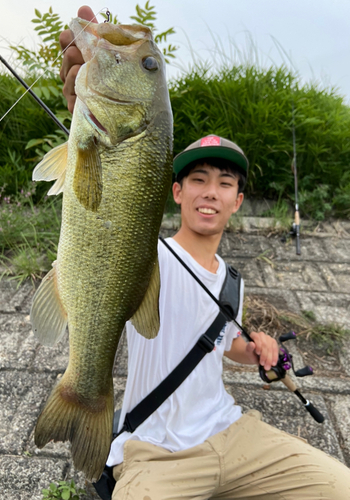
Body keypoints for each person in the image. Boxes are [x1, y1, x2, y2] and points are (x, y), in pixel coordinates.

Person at [59, 8, 350, 499]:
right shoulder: (149, 255)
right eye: (197, 179)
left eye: (224, 182)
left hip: (232, 432)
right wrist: (82, 114)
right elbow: (104, 224)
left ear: (238, 201)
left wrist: (259, 349)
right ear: (174, 192)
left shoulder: (231, 284)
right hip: (155, 450)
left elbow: (217, 345)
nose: (210, 192)